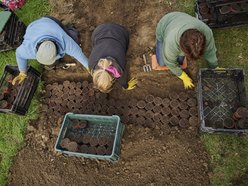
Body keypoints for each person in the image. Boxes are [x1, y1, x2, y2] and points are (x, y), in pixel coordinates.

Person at [12, 16, 89, 85]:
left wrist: (91, 69)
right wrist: (22, 72)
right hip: (33, 27)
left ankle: (70, 29)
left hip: (50, 22)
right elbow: (19, 54)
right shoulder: (29, 50)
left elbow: (80, 55)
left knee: (73, 38)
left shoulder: (65, 41)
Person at [151, 12, 218, 89]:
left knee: (179, 61)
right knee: (162, 63)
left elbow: (210, 51)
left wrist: (214, 66)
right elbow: (170, 63)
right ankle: (159, 47)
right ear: (181, 45)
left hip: (181, 19)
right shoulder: (171, 42)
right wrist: (183, 76)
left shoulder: (207, 32)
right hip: (165, 25)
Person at [89, 23, 137, 93]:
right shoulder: (91, 63)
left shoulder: (120, 66)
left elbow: (122, 79)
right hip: (99, 31)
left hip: (120, 32)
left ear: (111, 79)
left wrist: (125, 86)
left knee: (124, 48)